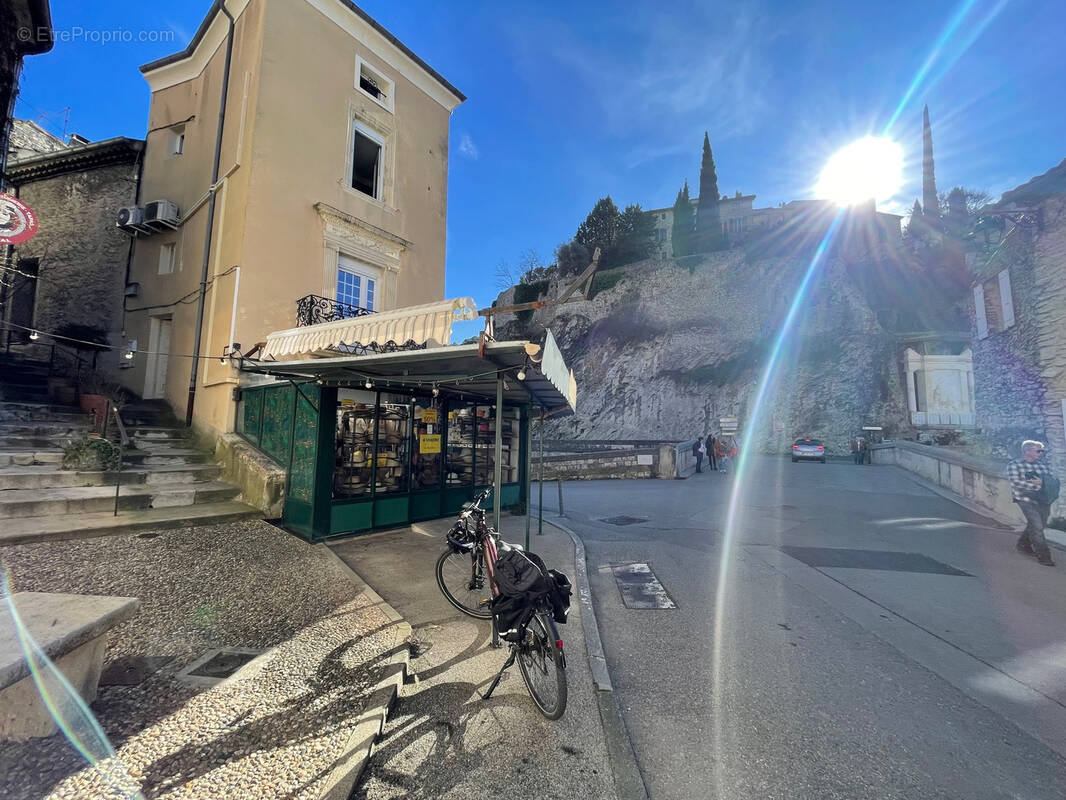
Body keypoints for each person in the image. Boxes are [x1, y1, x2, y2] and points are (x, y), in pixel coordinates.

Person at [1007, 440, 1060, 566]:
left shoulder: (1042, 465)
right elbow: (1016, 482)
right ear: (1027, 451)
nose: (1041, 453)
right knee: (1037, 526)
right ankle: (1044, 556)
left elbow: (1050, 481)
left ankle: (1023, 544)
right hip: (1025, 499)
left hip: (1042, 499)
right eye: (1038, 450)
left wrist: (1042, 483)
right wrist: (1038, 485)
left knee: (1039, 524)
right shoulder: (1014, 465)